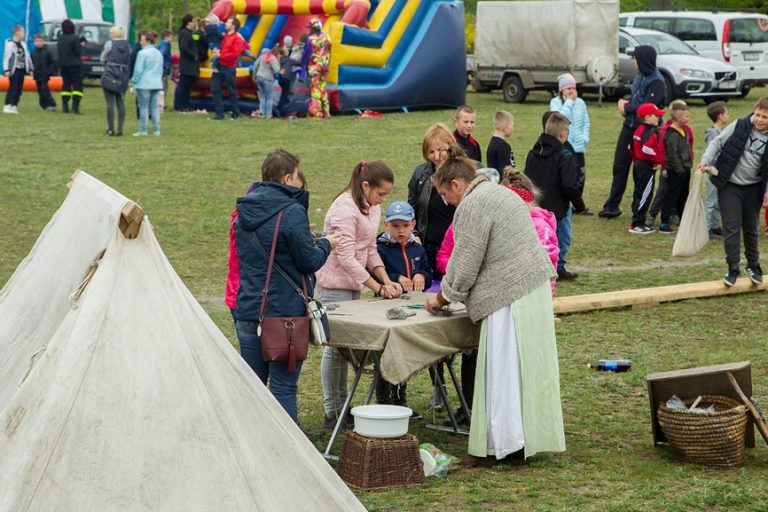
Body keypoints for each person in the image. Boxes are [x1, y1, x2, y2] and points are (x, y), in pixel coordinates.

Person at [425, 155, 565, 462]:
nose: (447, 202)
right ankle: (519, 440)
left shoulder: (475, 203)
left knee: (502, 374)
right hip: (531, 287)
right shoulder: (499, 193)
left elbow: (464, 264)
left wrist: (440, 298)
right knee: (523, 370)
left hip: (509, 295)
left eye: (446, 195)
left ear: (457, 184)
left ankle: (503, 447)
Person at [234, 149, 341, 423]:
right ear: (287, 178)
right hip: (283, 316)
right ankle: (288, 458)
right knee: (283, 388)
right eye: (296, 176)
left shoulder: (244, 211)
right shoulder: (292, 211)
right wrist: (327, 243)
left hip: (248, 309)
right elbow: (309, 260)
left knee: (252, 390)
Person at [316, 161, 402, 428]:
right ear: (366, 185)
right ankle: (334, 409)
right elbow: (345, 257)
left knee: (346, 349)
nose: (382, 200)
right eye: (381, 194)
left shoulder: (371, 206)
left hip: (354, 283)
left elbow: (369, 248)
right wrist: (377, 288)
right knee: (335, 348)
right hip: (333, 285)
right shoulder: (344, 210)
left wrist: (386, 279)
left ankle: (344, 406)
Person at [407, 123, 464, 413]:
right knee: (431, 316)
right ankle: (438, 387)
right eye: (431, 151)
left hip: (457, 254)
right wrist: (413, 234)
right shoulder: (420, 175)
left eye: (441, 149)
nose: (437, 156)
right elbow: (411, 208)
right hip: (429, 256)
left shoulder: (462, 172)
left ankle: (463, 388)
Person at [697, 96, 768, 287]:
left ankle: (753, 266)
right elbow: (717, 142)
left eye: (765, 117)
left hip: (753, 188)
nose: (760, 119)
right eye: (758, 115)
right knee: (731, 228)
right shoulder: (740, 125)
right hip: (730, 185)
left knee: (751, 228)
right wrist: (706, 160)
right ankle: (732, 269)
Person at [374, 200, 432, 417]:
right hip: (385, 308)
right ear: (387, 225)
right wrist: (393, 278)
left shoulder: (417, 248)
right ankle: (383, 401)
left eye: (405, 226)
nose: (400, 231)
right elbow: (372, 273)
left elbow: (427, 273)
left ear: (413, 224)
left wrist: (421, 276)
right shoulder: (380, 248)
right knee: (384, 354)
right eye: (395, 226)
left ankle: (400, 400)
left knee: (403, 353)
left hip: (411, 308)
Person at [600, 45, 665, 219]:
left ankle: (639, 211)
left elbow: (647, 108)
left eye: (635, 58)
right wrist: (626, 102)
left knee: (641, 170)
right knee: (620, 166)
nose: (632, 61)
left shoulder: (657, 81)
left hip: (645, 131)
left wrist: (625, 107)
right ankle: (612, 206)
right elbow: (637, 98)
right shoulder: (639, 76)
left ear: (643, 59)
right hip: (628, 127)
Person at [525, 112, 582, 281]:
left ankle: (541, 265)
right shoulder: (565, 156)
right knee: (561, 237)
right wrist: (579, 204)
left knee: (539, 236)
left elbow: (527, 179)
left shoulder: (533, 152)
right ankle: (558, 266)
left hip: (536, 206)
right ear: (563, 134)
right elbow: (570, 185)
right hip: (558, 208)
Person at [502, 167, 559, 297]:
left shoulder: (540, 227)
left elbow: (547, 264)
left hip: (536, 294)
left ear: (527, 200)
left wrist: (547, 296)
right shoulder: (506, 222)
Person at [550, 73, 592, 215]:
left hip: (579, 146)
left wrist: (585, 137)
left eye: (573, 87)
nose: (571, 91)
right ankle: (566, 202)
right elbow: (559, 119)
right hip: (564, 145)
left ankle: (577, 204)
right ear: (561, 89)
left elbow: (586, 122)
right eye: (568, 88)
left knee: (580, 176)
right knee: (567, 176)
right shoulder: (556, 103)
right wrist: (569, 102)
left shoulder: (581, 103)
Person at [627, 103, 665, 234]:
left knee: (639, 192)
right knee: (645, 194)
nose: (658, 118)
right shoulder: (648, 131)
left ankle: (638, 220)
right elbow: (646, 148)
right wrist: (659, 160)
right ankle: (637, 223)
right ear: (647, 117)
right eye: (656, 115)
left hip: (638, 164)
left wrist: (636, 158)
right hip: (645, 166)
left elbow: (630, 147)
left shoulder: (638, 129)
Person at [659, 102, 693, 234]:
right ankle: (664, 222)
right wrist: (679, 170)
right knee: (671, 196)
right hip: (676, 171)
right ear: (678, 118)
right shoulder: (671, 134)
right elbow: (672, 155)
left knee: (683, 196)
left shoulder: (683, 131)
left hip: (685, 169)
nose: (687, 119)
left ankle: (682, 220)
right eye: (686, 116)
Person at [211, 16, 248, 121]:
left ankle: (235, 113)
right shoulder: (224, 37)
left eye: (228, 22)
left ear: (233, 26)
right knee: (214, 88)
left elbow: (234, 54)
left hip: (228, 67)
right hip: (219, 65)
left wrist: (220, 55)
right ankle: (219, 114)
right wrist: (216, 51)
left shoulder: (237, 39)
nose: (226, 24)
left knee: (231, 90)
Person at [703, 101, 729, 240]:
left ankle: (714, 225)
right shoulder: (713, 134)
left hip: (721, 172)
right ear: (719, 116)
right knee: (711, 201)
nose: (728, 116)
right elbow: (712, 152)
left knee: (718, 201)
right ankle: (706, 229)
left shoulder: (722, 132)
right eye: (726, 113)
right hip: (713, 171)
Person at [100, 26, 132, 136]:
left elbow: (102, 58)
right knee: (121, 102)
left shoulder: (110, 44)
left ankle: (110, 129)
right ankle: (120, 129)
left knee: (110, 103)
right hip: (123, 76)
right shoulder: (128, 45)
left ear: (113, 34)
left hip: (110, 74)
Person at [131, 31, 163, 136]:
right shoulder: (158, 53)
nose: (140, 42)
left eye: (142, 40)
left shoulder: (142, 53)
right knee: (154, 107)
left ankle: (143, 130)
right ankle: (156, 130)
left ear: (147, 41)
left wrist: (134, 81)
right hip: (156, 83)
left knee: (143, 107)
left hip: (144, 83)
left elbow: (138, 70)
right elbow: (161, 69)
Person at [302, 18, 331, 119]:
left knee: (315, 90)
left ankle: (316, 113)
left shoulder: (310, 40)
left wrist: (303, 67)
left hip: (314, 68)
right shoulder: (327, 37)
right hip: (324, 67)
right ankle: (326, 112)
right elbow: (329, 51)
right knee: (323, 89)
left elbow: (305, 55)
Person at [3, 25, 33, 114]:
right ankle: (8, 105)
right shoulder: (10, 44)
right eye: (22, 32)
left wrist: (31, 68)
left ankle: (14, 105)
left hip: (22, 69)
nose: (23, 34)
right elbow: (6, 57)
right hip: (14, 69)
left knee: (19, 88)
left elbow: (27, 57)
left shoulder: (23, 44)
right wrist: (6, 69)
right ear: (17, 33)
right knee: (13, 87)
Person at [57, 19, 84, 114]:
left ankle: (65, 106)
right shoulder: (75, 38)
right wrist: (81, 45)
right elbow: (77, 51)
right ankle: (75, 107)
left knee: (66, 85)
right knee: (77, 86)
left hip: (64, 65)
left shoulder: (60, 38)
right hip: (75, 66)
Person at [174, 14, 199, 112]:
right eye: (193, 22)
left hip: (191, 64)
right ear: (188, 22)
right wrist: (194, 55)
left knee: (188, 85)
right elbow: (184, 47)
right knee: (183, 84)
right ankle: (179, 105)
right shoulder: (184, 33)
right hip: (187, 63)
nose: (194, 24)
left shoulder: (189, 33)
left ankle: (186, 105)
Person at [252, 46, 280, 118]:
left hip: (259, 77)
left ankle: (262, 114)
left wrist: (254, 75)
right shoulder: (272, 58)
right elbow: (276, 70)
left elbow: (255, 66)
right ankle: (268, 115)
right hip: (268, 78)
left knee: (262, 97)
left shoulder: (261, 57)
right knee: (269, 97)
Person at [31, 34, 56, 112]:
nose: (38, 43)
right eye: (37, 41)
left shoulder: (47, 52)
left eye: (40, 41)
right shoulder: (33, 53)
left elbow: (53, 62)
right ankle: (43, 104)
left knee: (45, 89)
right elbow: (31, 63)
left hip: (45, 74)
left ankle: (51, 104)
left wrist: (49, 71)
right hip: (37, 74)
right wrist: (31, 71)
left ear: (44, 42)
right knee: (40, 91)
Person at [157, 30, 173, 106]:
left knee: (164, 86)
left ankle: (161, 102)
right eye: (171, 37)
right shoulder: (165, 45)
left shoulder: (162, 44)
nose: (172, 38)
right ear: (166, 37)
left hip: (164, 68)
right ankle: (161, 103)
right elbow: (161, 54)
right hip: (164, 69)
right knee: (163, 87)